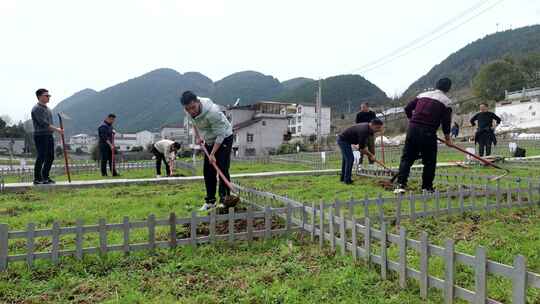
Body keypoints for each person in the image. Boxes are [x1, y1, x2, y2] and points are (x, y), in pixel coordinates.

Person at [394, 78, 453, 194]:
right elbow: (446, 123)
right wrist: (448, 139)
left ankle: (400, 185)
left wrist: (412, 120)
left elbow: (407, 108)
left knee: (407, 158)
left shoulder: (422, 95)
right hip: (428, 132)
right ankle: (426, 187)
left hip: (412, 129)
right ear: (448, 88)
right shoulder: (446, 102)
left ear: (436, 85)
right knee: (429, 161)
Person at [181, 91, 233, 211]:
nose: (191, 111)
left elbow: (221, 135)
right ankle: (210, 201)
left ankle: (224, 199)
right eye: (188, 109)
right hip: (209, 139)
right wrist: (198, 136)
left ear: (198, 102)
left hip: (224, 138)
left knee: (221, 168)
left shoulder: (212, 112)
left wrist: (213, 154)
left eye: (193, 107)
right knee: (208, 171)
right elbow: (193, 122)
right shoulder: (188, 111)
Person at [31, 89, 64, 185]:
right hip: (40, 135)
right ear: (40, 96)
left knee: (50, 156)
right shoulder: (36, 109)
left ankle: (45, 176)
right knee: (41, 156)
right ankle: (37, 178)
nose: (48, 97)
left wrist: (55, 131)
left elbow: (50, 124)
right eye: (46, 95)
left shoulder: (48, 109)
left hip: (49, 135)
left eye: (49, 95)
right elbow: (44, 124)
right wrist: (57, 130)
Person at [337, 119, 384, 185]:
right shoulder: (364, 130)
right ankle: (347, 180)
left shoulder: (368, 129)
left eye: (379, 128)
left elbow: (362, 146)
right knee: (350, 159)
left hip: (346, 140)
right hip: (343, 140)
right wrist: (371, 155)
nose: (378, 130)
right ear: (372, 125)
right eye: (377, 128)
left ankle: (343, 179)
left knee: (346, 160)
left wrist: (369, 154)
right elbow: (362, 149)